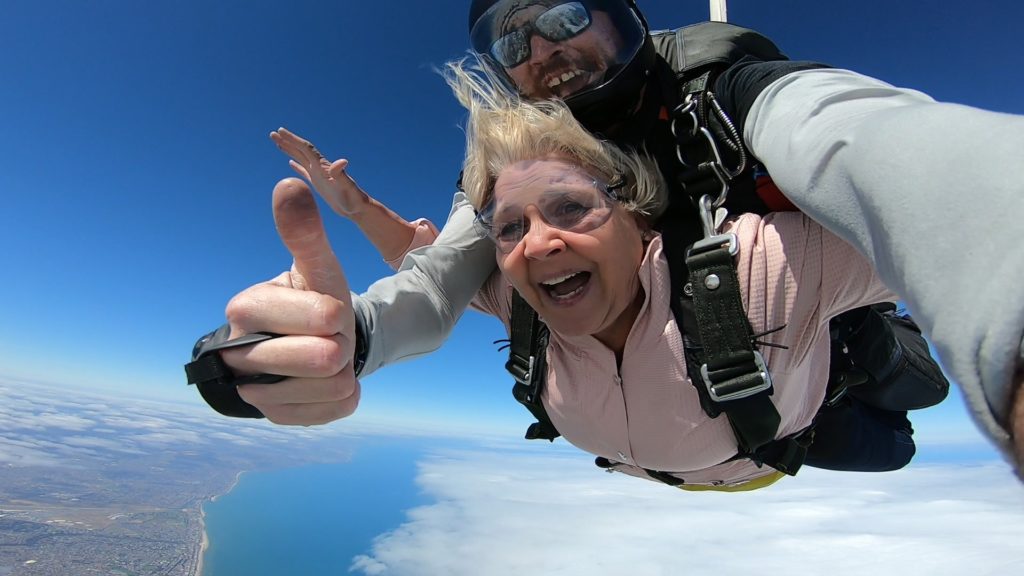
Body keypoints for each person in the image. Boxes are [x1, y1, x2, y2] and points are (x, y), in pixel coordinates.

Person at [188, 1, 1024, 476]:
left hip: (782, 424)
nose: (543, 46)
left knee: (889, 439)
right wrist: (323, 346)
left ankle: (861, 350)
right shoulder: (509, 218)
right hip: (678, 453)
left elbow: (874, 153)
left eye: (564, 11)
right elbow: (436, 282)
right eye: (512, 39)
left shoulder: (737, 107)